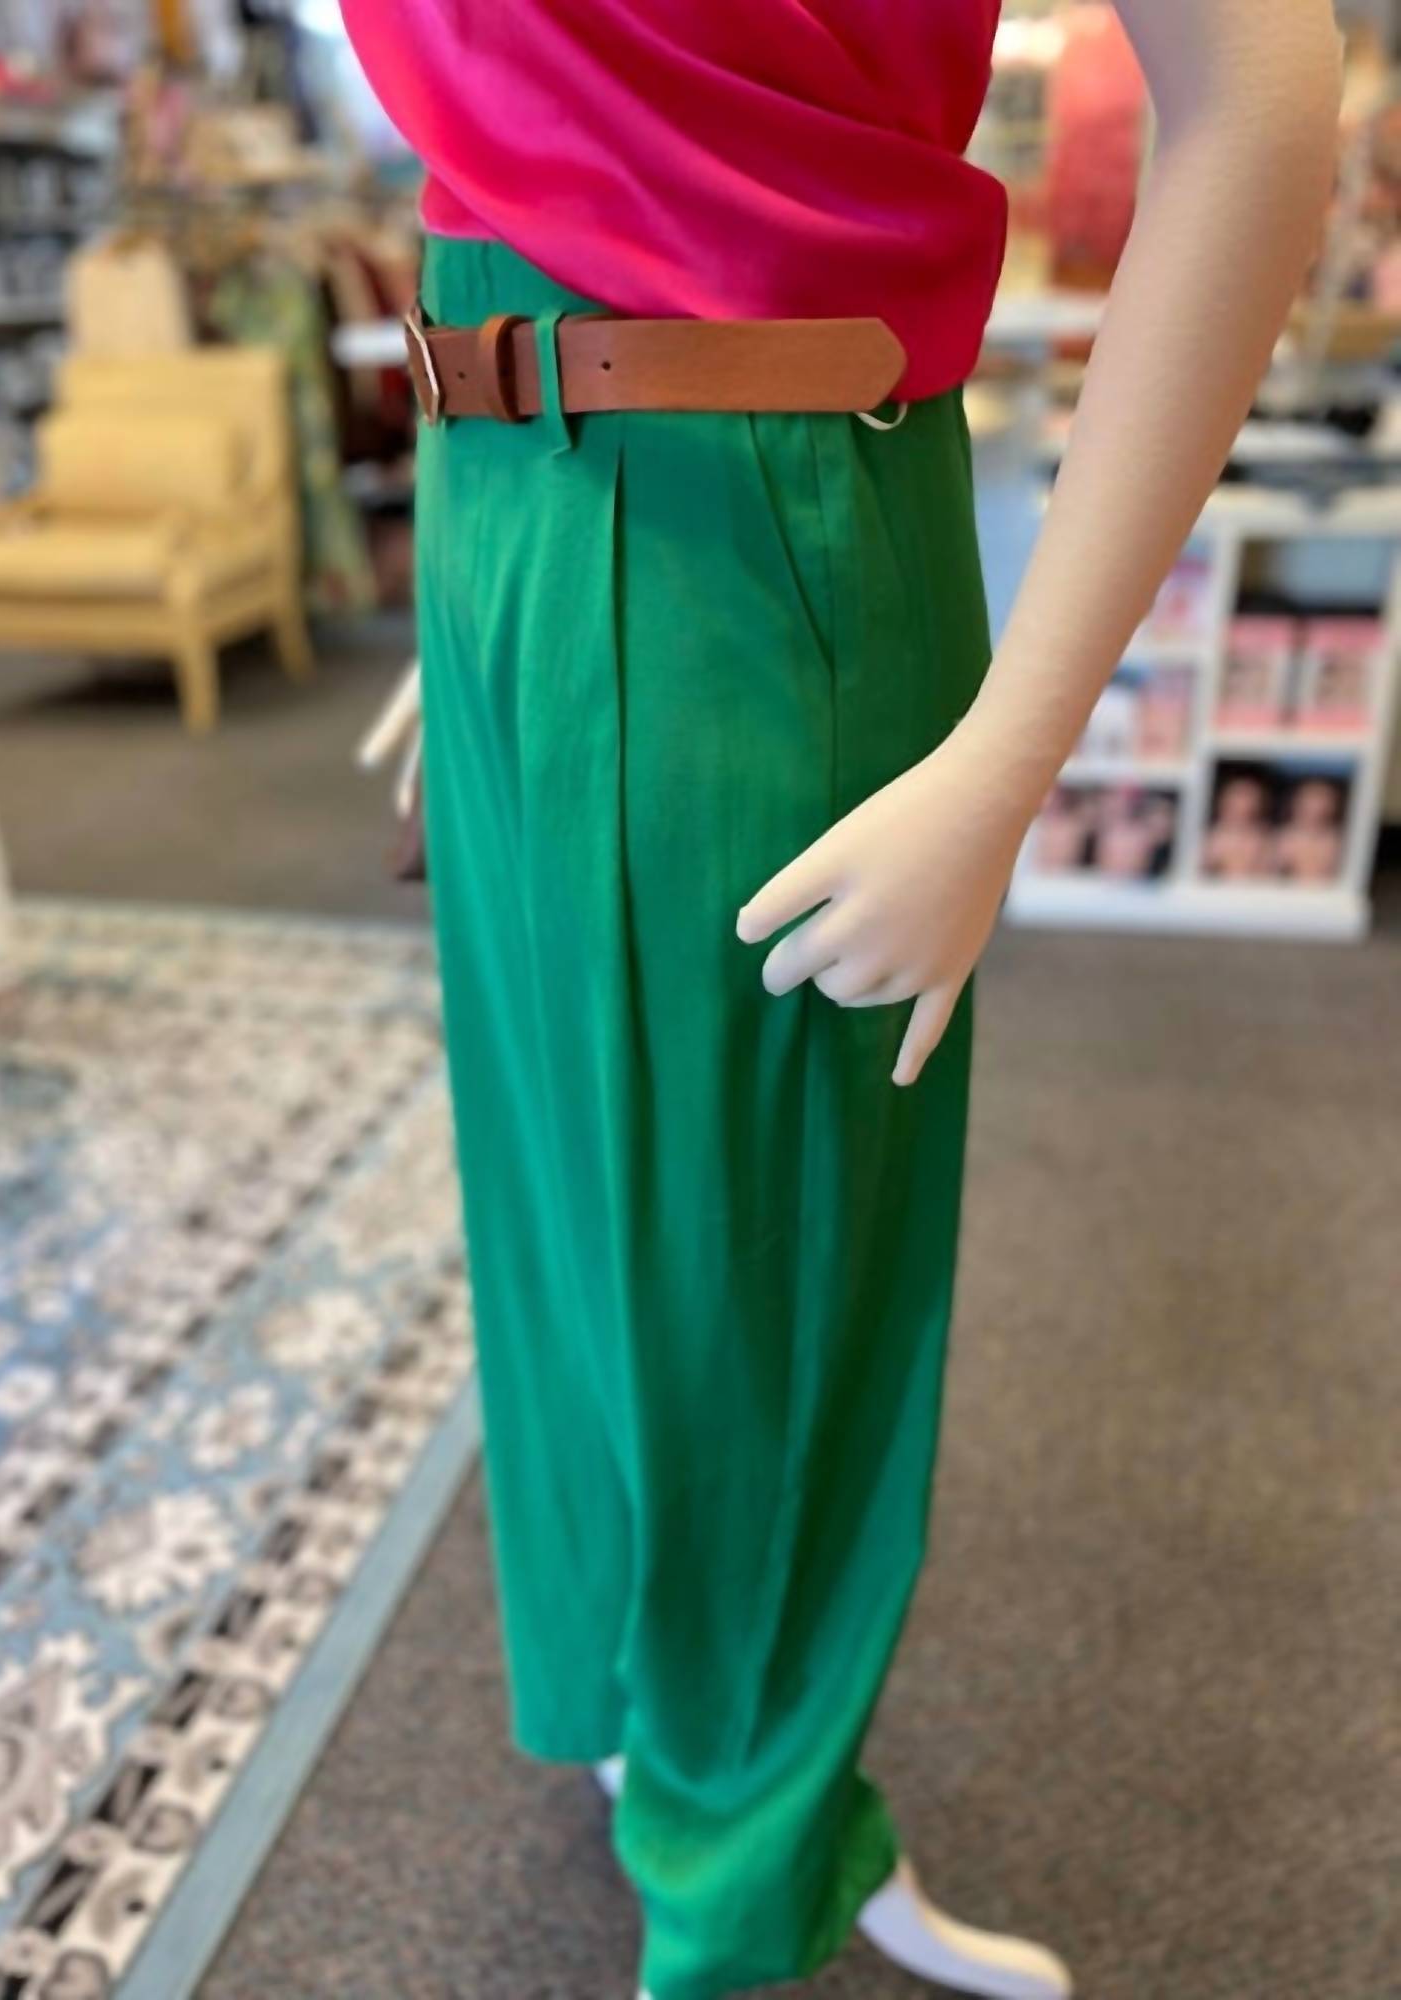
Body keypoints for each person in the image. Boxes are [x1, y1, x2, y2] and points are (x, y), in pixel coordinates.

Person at [337, 2, 1342, 1994]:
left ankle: (740, 1894)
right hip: (488, 479)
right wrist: (484, 603)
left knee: (761, 1301)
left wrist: (1011, 752)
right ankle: (663, 1731)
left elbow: (1260, 90)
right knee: (560, 1238)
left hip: (760, 498)